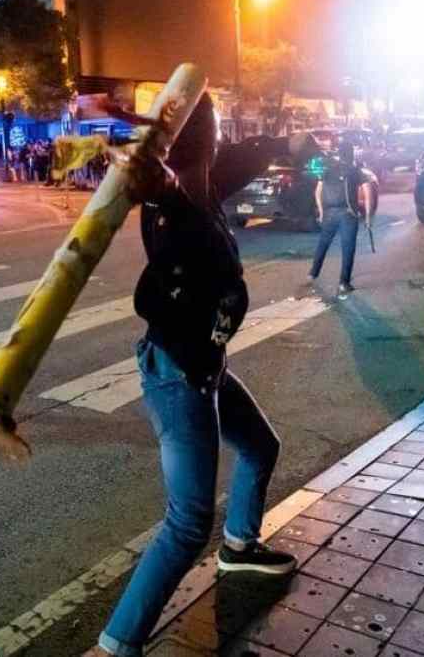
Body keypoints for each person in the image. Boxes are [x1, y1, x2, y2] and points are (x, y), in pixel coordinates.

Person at [96, 95, 296, 657]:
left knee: (259, 445)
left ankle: (239, 546)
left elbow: (242, 160)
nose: (221, 142)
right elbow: (172, 211)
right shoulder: (175, 202)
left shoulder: (203, 182)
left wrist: (288, 143)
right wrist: (157, 184)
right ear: (201, 142)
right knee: (187, 524)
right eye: (214, 132)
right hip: (179, 375)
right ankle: (118, 643)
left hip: (206, 367)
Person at [308, 142, 373, 296]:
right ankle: (344, 283)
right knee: (348, 248)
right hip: (348, 214)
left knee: (323, 243)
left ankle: (313, 273)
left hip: (329, 212)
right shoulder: (355, 171)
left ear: (339, 154)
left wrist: (321, 211)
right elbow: (368, 192)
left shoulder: (328, 169)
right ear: (351, 154)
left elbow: (318, 191)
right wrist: (368, 216)